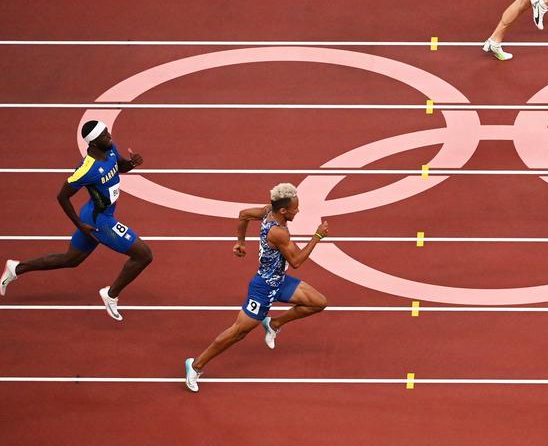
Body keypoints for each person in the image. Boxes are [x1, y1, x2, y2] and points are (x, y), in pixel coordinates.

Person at [184, 183, 329, 393]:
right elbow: (297, 261)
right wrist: (317, 237)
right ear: (283, 211)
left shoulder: (266, 211)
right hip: (262, 288)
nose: (298, 210)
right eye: (295, 208)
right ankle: (195, 366)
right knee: (238, 333)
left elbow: (243, 215)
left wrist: (240, 242)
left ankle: (274, 323)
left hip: (279, 280)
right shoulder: (279, 233)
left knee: (319, 303)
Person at [1, 120, 152, 321]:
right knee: (143, 255)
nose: (110, 136)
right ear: (94, 143)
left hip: (93, 214)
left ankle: (16, 268)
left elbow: (119, 166)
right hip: (99, 221)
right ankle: (110, 294)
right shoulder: (86, 169)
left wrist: (132, 163)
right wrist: (79, 225)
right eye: (105, 136)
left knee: (70, 259)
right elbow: (62, 196)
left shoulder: (109, 148)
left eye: (107, 132)